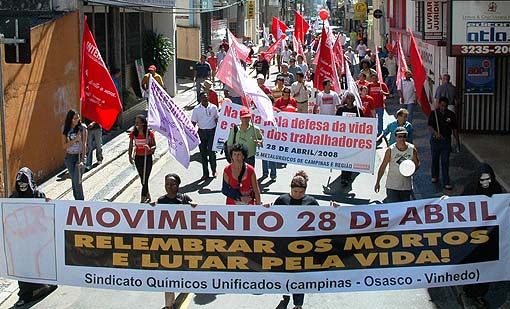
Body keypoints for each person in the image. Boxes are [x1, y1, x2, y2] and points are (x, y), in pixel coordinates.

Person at [11, 167, 57, 307]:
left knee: (38, 265)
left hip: (36, 239)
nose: (23, 187)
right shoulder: (14, 198)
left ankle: (44, 286)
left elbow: (45, 214)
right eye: (20, 184)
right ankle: (25, 295)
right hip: (21, 241)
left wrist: (50, 205)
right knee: (23, 268)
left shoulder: (38, 195)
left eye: (25, 183)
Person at [458, 163, 502, 308]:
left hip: (490, 240)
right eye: (482, 180)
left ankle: (480, 294)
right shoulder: (470, 190)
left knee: (486, 268)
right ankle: (468, 292)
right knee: (473, 266)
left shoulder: (496, 190)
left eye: (488, 179)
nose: (485, 183)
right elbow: (458, 207)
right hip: (473, 240)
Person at [273, 171, 318, 309]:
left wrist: (335, 210)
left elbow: (323, 221)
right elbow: (271, 219)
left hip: (303, 246)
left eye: (300, 191)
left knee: (299, 275)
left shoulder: (311, 202)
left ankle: (298, 304)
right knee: (285, 272)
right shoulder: (282, 200)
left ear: (305, 190)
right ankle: (286, 290)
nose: (297, 194)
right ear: (290, 189)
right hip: (284, 245)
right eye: (295, 191)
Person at [374, 127, 420, 202]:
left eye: (404, 136)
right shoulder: (390, 150)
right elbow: (383, 166)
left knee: (405, 210)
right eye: (400, 136)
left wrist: (411, 169)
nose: (402, 139)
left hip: (406, 186)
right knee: (393, 209)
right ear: (396, 137)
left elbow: (417, 164)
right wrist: (377, 182)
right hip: (392, 186)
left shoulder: (412, 149)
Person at [428, 97, 460, 190]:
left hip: (446, 140)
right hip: (435, 141)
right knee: (435, 159)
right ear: (439, 105)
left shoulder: (451, 114)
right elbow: (430, 126)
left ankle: (446, 181)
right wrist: (435, 133)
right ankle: (435, 176)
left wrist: (457, 141)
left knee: (445, 161)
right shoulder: (434, 114)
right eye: (442, 106)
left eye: (445, 106)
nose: (443, 108)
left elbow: (454, 129)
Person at [336, 92, 364, 186]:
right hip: (343, 138)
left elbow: (363, 123)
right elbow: (336, 122)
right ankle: (344, 177)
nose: (349, 100)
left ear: (354, 100)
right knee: (344, 157)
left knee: (351, 157)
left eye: (351, 98)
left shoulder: (358, 110)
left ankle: (349, 174)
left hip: (353, 139)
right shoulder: (340, 109)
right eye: (347, 98)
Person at [128, 115, 156, 203]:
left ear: (143, 123)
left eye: (138, 122)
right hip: (138, 158)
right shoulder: (133, 133)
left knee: (145, 178)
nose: (136, 124)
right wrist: (130, 156)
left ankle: (142, 198)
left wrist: (149, 148)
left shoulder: (149, 133)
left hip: (147, 157)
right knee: (142, 178)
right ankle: (147, 194)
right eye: (135, 122)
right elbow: (130, 145)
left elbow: (154, 145)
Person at [191, 92, 219, 181]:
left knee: (212, 152)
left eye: (206, 97)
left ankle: (214, 170)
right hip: (201, 133)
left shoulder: (214, 107)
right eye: (203, 97)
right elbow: (193, 123)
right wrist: (191, 134)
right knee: (203, 154)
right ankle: (205, 173)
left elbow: (217, 119)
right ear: (200, 99)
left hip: (212, 132)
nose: (205, 99)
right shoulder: (196, 109)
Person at [62, 109, 87, 200]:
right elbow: (64, 146)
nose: (78, 120)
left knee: (77, 180)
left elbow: (84, 144)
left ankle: (81, 201)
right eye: (75, 118)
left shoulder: (83, 128)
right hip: (69, 157)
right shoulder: (65, 128)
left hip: (79, 156)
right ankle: (76, 200)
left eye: (78, 117)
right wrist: (75, 140)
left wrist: (83, 159)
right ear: (70, 119)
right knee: (73, 180)